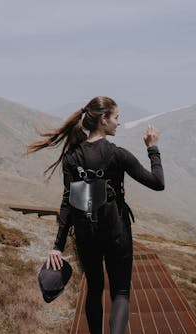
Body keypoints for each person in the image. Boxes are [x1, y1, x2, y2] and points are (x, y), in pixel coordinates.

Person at [26, 96, 164, 334]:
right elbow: (157, 183)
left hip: (85, 234)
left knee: (94, 289)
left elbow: (68, 201)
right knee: (120, 292)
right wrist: (152, 148)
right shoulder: (117, 154)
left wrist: (57, 246)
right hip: (117, 231)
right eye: (116, 118)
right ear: (103, 119)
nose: (118, 123)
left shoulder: (72, 156)